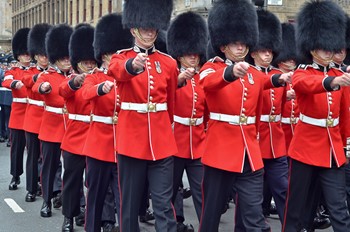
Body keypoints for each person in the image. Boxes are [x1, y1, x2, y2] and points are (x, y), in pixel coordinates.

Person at [198, 0, 279, 230]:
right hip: (220, 151)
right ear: (223, 46)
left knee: (253, 213)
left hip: (249, 153)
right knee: (211, 212)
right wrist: (229, 73)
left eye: (244, 44)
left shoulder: (253, 72)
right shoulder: (211, 68)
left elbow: (266, 81)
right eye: (235, 44)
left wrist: (280, 78)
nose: (241, 48)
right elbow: (208, 84)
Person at [107, 0, 178, 231]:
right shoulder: (121, 57)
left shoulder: (168, 63)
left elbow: (171, 104)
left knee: (163, 203)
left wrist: (165, 131)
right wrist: (132, 66)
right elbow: (117, 71)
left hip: (161, 142)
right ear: (133, 28)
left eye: (153, 27)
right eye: (144, 27)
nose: (149, 32)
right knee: (129, 204)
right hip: (132, 141)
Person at [282, 1, 350, 231]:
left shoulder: (339, 74)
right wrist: (331, 82)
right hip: (305, 149)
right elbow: (305, 84)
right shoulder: (302, 72)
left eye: (331, 48)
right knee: (298, 207)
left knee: (338, 208)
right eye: (324, 48)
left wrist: (344, 146)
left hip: (332, 151)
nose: (329, 52)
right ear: (312, 49)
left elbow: (343, 117)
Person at [82, 13, 132, 232]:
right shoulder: (94, 77)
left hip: (123, 144)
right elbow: (85, 94)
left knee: (124, 196)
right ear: (103, 56)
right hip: (99, 145)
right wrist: (100, 89)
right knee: (96, 195)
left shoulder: (127, 79)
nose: (115, 57)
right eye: (112, 54)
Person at [246, 8, 290, 224]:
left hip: (277, 142)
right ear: (253, 52)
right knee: (253, 196)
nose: (267, 55)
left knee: (283, 189)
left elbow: (280, 108)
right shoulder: (247, 76)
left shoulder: (277, 75)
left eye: (270, 52)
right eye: (263, 51)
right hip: (255, 140)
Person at [166, 11, 208, 231]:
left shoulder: (202, 79)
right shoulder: (172, 77)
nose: (193, 57)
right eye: (188, 53)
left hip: (198, 142)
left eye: (196, 53)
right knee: (171, 190)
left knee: (202, 189)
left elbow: (208, 110)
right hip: (175, 140)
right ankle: (175, 224)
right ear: (179, 55)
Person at [58, 24, 97, 231]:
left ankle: (93, 217)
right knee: (72, 181)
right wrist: (76, 82)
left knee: (95, 183)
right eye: (85, 63)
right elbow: (63, 91)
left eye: (92, 62)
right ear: (77, 63)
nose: (89, 66)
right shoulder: (71, 80)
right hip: (74, 138)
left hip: (96, 137)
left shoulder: (101, 79)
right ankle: (69, 217)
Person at [32, 24, 73, 218]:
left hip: (72, 127)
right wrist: (44, 88)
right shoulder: (46, 75)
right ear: (56, 58)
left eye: (68, 57)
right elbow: (37, 87)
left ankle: (74, 204)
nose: (66, 61)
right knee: (49, 167)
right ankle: (47, 201)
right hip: (51, 127)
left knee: (73, 170)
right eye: (63, 58)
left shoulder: (76, 76)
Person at [22, 23, 52, 202]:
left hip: (49, 120)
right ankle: (32, 188)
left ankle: (50, 188)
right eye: (41, 55)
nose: (44, 58)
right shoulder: (31, 72)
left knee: (49, 158)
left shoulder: (55, 73)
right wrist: (38, 77)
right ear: (36, 56)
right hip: (34, 119)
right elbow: (27, 81)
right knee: (33, 156)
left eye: (47, 55)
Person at [2, 28, 31, 191]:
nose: (26, 56)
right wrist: (14, 84)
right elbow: (6, 81)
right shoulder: (13, 71)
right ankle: (15, 176)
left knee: (36, 153)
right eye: (23, 54)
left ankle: (38, 179)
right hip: (19, 115)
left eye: (28, 53)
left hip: (35, 115)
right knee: (17, 149)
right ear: (18, 55)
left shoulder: (37, 71)